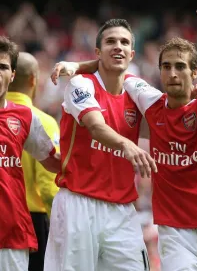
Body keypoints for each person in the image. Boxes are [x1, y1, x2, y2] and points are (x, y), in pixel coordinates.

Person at [51, 0, 197, 271]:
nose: (173, 73)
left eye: (180, 67)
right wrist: (75, 67)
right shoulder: (149, 100)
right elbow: (112, 67)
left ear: (195, 73)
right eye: (166, 67)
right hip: (174, 230)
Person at [44, 19, 157, 271]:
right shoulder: (80, 83)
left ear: (132, 53)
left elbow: (166, 113)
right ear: (97, 52)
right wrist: (127, 144)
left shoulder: (136, 90)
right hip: (78, 204)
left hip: (122, 210)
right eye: (110, 42)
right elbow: (95, 126)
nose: (118, 46)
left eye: (124, 42)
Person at [0, 36, 61, 271]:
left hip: (12, 235)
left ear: (12, 75)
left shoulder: (26, 117)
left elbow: (53, 163)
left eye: (3, 67)